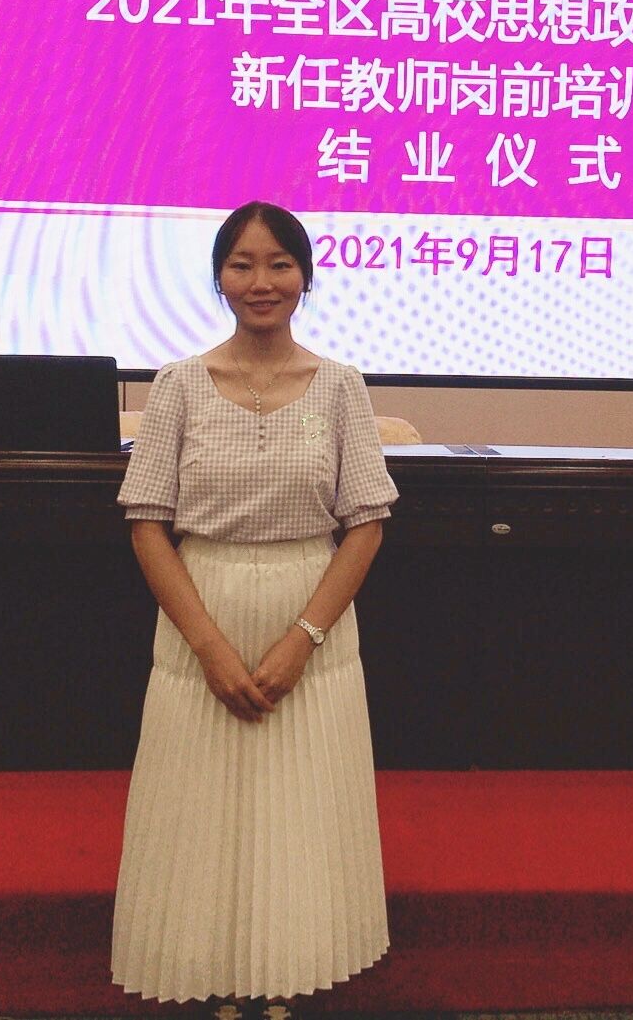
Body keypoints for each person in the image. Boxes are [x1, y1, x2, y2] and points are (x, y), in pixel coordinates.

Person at [111, 201, 398, 1019]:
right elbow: (147, 521)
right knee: (203, 804)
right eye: (242, 264)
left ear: (305, 276)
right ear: (219, 277)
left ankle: (290, 970)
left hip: (310, 618)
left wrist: (304, 639)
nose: (261, 280)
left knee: (298, 801)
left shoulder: (340, 386)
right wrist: (208, 646)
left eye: (279, 263)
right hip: (201, 614)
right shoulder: (177, 384)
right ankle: (209, 971)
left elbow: (366, 523)